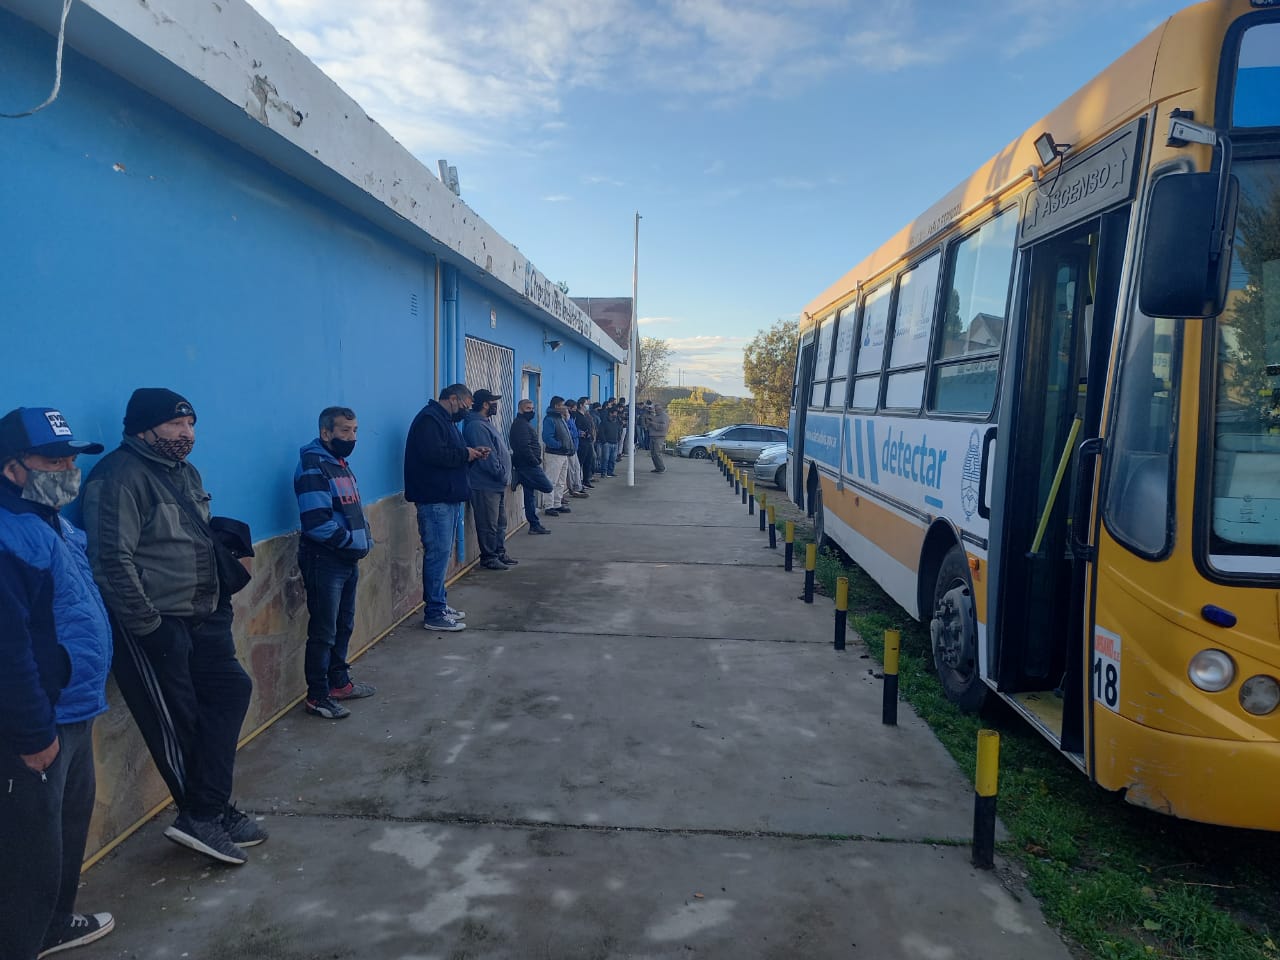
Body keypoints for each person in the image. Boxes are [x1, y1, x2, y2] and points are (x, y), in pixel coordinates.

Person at [82, 388, 264, 867]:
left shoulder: (184, 471)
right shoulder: (118, 477)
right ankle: (203, 815)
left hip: (203, 616)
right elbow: (110, 560)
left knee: (231, 691)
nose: (187, 434)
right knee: (177, 721)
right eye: (175, 424)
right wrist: (150, 627)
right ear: (143, 429)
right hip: (155, 625)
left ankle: (207, 809)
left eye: (191, 424)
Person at [0, 407, 115, 959]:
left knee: (66, 831)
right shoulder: (8, 538)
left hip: (75, 707)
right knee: (30, 856)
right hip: (40, 721)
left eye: (71, 459)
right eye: (53, 461)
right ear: (12, 468)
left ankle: (53, 928)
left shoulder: (52, 522)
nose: (68, 470)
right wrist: (32, 733)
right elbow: (8, 648)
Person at [294, 406, 374, 721]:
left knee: (343, 625)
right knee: (324, 631)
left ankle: (339, 683)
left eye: (355, 431)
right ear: (326, 433)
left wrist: (364, 539)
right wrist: (352, 543)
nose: (351, 437)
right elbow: (317, 523)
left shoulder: (340, 465)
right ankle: (317, 695)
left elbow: (352, 511)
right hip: (324, 559)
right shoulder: (313, 466)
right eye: (344, 431)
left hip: (346, 558)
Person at [405, 384, 487, 632]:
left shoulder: (446, 421)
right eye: (465, 406)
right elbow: (435, 455)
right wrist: (465, 455)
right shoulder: (429, 420)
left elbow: (452, 454)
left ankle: (439, 603)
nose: (466, 411)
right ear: (452, 399)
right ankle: (434, 613)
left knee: (441, 555)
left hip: (447, 497)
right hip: (435, 499)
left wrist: (471, 454)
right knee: (437, 555)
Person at [462, 389, 517, 571]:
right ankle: (489, 557)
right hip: (485, 484)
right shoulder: (476, 426)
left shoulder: (485, 423)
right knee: (488, 524)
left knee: (500, 523)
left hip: (496, 484)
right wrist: (500, 473)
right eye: (493, 402)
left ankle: (499, 552)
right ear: (485, 404)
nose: (496, 405)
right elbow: (487, 456)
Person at [508, 399, 553, 534]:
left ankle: (534, 525)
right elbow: (523, 446)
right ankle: (521, 477)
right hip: (528, 466)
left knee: (529, 497)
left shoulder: (524, 423)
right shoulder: (520, 425)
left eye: (533, 408)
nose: (532, 411)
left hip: (526, 465)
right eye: (528, 408)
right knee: (547, 487)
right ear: (520, 409)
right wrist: (534, 461)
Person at [541, 397, 574, 516]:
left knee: (560, 481)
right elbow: (547, 437)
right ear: (556, 406)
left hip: (563, 454)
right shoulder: (550, 419)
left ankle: (557, 503)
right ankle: (549, 505)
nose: (564, 407)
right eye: (562, 405)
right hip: (554, 454)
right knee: (552, 480)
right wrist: (559, 445)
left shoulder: (560, 418)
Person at [563, 401, 589, 499]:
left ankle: (578, 486)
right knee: (571, 470)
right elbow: (568, 432)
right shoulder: (565, 420)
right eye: (573, 409)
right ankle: (574, 489)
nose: (574, 411)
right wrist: (577, 433)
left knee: (577, 468)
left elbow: (574, 430)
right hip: (569, 448)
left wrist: (578, 433)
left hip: (574, 447)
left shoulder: (572, 418)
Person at [574, 397, 596, 488]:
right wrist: (580, 433)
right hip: (581, 443)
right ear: (581, 405)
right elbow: (575, 428)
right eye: (586, 404)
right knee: (580, 462)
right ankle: (579, 482)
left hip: (588, 441)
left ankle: (586, 480)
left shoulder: (586, 415)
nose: (588, 406)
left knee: (589, 461)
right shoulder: (577, 416)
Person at [596, 406, 622, 478]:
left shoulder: (617, 422)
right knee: (605, 459)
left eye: (616, 413)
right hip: (607, 443)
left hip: (615, 442)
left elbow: (619, 430)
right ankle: (603, 473)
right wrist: (604, 442)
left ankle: (610, 472)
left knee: (613, 459)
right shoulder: (604, 422)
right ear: (610, 413)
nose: (616, 415)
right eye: (615, 413)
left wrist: (618, 439)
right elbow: (601, 432)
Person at [648, 402, 670, 473]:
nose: (655, 411)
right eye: (655, 409)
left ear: (660, 409)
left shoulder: (664, 416)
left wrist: (652, 423)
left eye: (656, 410)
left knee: (657, 453)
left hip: (659, 437)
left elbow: (663, 427)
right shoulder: (655, 416)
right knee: (653, 453)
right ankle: (657, 467)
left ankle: (661, 468)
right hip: (652, 436)